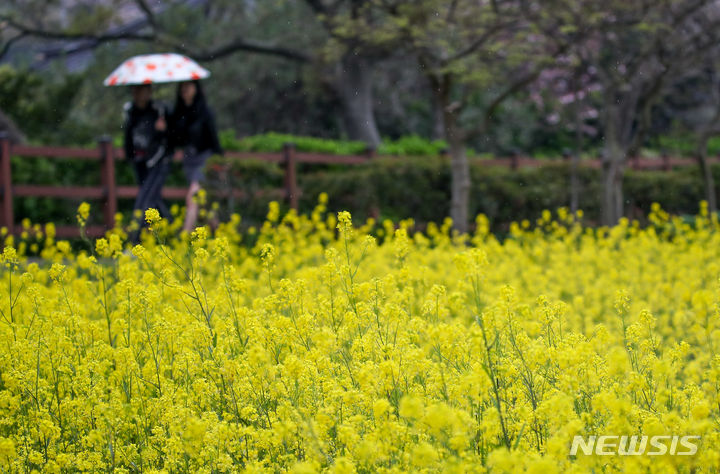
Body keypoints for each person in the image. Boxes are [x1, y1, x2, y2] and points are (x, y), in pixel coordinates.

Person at [168, 80, 223, 233]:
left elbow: (214, 141)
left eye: (188, 86)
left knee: (193, 197)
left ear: (196, 88)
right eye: (182, 87)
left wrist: (221, 163)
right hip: (189, 161)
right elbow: (174, 140)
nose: (185, 89)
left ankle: (185, 237)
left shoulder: (205, 112)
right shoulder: (178, 114)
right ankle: (221, 237)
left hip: (205, 160)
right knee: (204, 203)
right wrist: (164, 127)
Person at [122, 84, 171, 243]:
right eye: (135, 90)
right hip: (140, 164)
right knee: (153, 200)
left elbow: (170, 139)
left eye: (142, 90)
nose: (138, 94)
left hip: (157, 163)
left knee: (145, 201)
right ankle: (172, 233)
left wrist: (162, 130)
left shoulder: (159, 111)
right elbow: (128, 139)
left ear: (149, 92)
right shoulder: (130, 112)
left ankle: (135, 241)